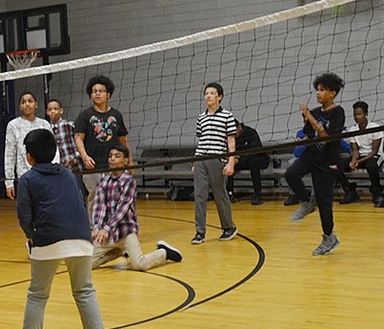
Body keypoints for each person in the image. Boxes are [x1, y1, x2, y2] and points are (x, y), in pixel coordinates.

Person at [14, 129, 107, 329]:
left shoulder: (26, 180)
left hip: (47, 240)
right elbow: (78, 203)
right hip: (82, 239)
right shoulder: (68, 175)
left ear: (29, 157)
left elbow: (25, 217)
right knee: (85, 291)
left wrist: (32, 238)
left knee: (37, 295)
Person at [92, 144, 183, 271]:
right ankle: (118, 251)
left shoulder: (129, 181)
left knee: (140, 264)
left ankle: (164, 252)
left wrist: (106, 228)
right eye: (110, 156)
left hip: (125, 231)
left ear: (125, 161)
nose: (112, 159)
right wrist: (97, 227)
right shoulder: (103, 182)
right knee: (88, 265)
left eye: (117, 156)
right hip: (109, 235)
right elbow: (99, 206)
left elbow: (122, 208)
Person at [287, 72, 346, 256]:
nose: (318, 93)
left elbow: (327, 138)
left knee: (325, 203)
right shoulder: (314, 112)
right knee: (291, 174)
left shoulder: (338, 112)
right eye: (317, 90)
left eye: (322, 90)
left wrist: (309, 117)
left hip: (328, 161)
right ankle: (307, 200)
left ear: (333, 93)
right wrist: (302, 140)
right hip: (311, 155)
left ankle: (329, 237)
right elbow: (308, 135)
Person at [73, 74, 130, 208]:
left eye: (101, 91)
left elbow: (123, 139)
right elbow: (78, 139)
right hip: (93, 165)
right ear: (91, 95)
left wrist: (129, 160)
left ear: (108, 95)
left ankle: (112, 227)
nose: (97, 93)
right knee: (95, 199)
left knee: (116, 198)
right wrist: (85, 157)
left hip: (114, 164)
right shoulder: (85, 115)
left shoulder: (116, 115)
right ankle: (94, 228)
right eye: (94, 91)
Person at [191, 82, 238, 244]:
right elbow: (201, 140)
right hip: (200, 159)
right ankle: (200, 232)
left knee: (220, 194)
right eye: (206, 93)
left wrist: (230, 162)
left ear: (220, 97)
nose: (208, 96)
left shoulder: (227, 116)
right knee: (199, 195)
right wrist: (196, 161)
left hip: (217, 159)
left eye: (212, 93)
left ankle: (228, 227)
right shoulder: (201, 118)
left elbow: (231, 141)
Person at [4, 91, 52, 199]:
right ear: (20, 107)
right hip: (24, 176)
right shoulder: (13, 125)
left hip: (45, 174)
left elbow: (54, 150)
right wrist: (9, 183)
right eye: (23, 102)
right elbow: (9, 155)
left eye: (30, 101)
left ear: (36, 104)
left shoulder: (44, 124)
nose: (27, 104)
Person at [345, 100, 384, 204]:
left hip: (374, 157)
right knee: (337, 165)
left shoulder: (375, 128)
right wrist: (353, 161)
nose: (357, 117)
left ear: (366, 114)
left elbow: (374, 152)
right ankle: (350, 191)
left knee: (372, 166)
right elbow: (355, 150)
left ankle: (377, 194)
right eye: (355, 115)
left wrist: (359, 162)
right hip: (360, 157)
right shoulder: (352, 129)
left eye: (359, 114)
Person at [225, 121, 268, 205]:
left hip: (259, 158)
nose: (233, 134)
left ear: (239, 127)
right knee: (229, 165)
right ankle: (229, 193)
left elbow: (255, 152)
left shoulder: (251, 133)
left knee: (253, 162)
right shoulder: (231, 138)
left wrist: (238, 160)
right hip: (242, 161)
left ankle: (258, 194)